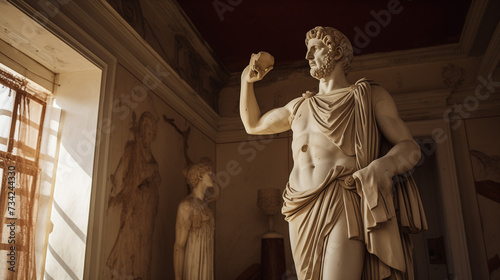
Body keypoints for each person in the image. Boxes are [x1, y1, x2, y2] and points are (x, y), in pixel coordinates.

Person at [240, 26, 426, 279]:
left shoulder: (369, 96)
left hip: (342, 197)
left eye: (315, 48)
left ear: (337, 53)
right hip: (299, 205)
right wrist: (245, 81)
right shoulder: (299, 105)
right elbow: (254, 125)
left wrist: (382, 167)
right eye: (308, 50)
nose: (308, 57)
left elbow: (409, 147)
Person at [107, 111, 160, 279]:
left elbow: (156, 177)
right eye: (144, 131)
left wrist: (154, 180)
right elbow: (125, 171)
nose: (147, 135)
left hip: (149, 207)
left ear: (153, 135)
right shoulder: (132, 148)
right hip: (135, 204)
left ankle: (138, 274)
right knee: (129, 238)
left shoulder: (153, 158)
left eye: (150, 132)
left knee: (143, 242)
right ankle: (122, 274)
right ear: (140, 131)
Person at [174, 161, 220, 280]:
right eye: (210, 174)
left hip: (207, 265)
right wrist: (178, 278)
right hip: (193, 265)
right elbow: (179, 245)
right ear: (200, 176)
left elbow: (218, 194)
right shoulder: (186, 205)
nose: (213, 178)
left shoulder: (206, 208)